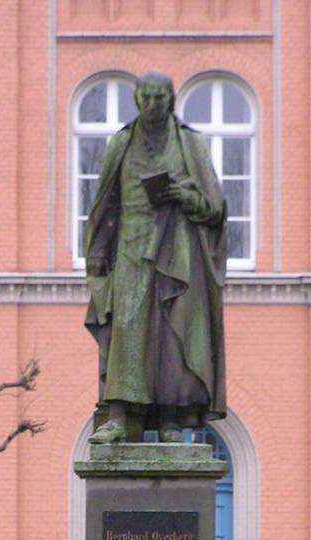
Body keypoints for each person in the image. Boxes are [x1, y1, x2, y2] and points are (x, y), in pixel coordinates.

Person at [84, 70, 227, 444]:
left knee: (172, 335)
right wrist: (96, 253)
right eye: (145, 97)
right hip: (130, 251)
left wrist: (185, 196)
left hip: (177, 254)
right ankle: (119, 417)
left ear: (171, 100)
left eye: (158, 98)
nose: (151, 105)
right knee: (126, 331)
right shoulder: (121, 144)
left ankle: (170, 420)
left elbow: (215, 207)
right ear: (136, 100)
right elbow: (104, 203)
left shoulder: (190, 144)